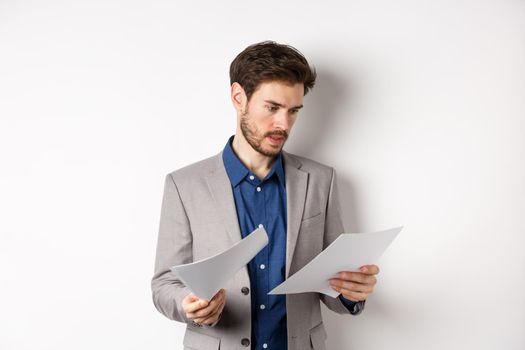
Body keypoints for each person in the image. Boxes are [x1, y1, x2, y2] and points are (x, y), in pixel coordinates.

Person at [151, 41, 380, 350]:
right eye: (272, 108)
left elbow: (332, 285)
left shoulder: (321, 180)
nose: (283, 125)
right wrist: (187, 304)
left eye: (293, 111)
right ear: (238, 97)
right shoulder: (184, 185)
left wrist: (350, 292)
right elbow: (164, 283)